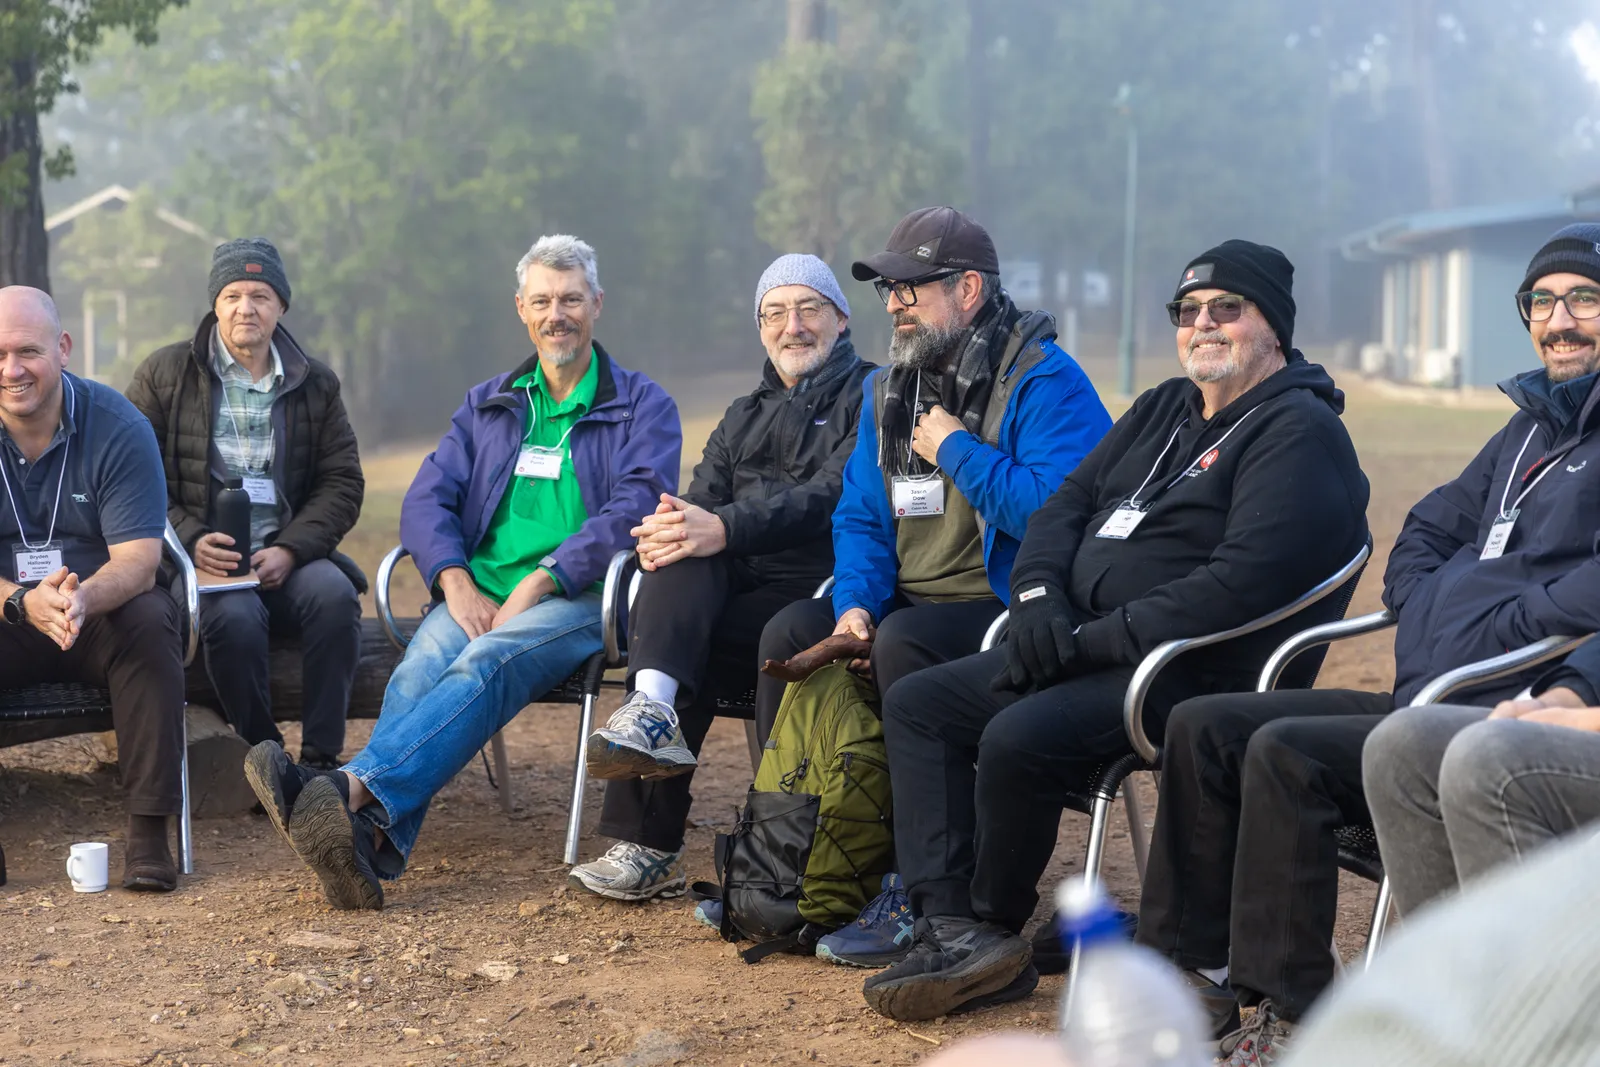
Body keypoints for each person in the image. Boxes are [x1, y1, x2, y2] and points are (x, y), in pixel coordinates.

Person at [866, 240, 1370, 1022]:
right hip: (1083, 647)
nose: (1203, 325)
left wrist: (1092, 639)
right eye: (1188, 311)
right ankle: (951, 921)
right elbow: (1063, 507)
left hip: (1191, 677)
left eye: (1226, 309)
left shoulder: (1297, 433)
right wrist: (1036, 599)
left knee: (1015, 732)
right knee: (922, 702)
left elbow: (1235, 587)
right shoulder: (1164, 407)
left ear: (1274, 326)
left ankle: (992, 919)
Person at [1136, 223, 1600, 1065]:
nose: (1558, 320)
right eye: (1541, 301)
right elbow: (1426, 528)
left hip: (1516, 703)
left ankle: (1295, 1011)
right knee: (1206, 723)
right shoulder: (1529, 427)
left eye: (1584, 300)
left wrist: (1488, 628)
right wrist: (1429, 608)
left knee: (1284, 751)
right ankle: (1187, 976)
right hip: (1431, 688)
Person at [243, 234, 681, 909]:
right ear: (520, 309)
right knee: (418, 673)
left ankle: (342, 790)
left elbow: (636, 503)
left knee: (490, 662)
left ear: (597, 303)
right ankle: (366, 844)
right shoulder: (490, 402)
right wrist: (454, 580)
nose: (555, 313)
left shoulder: (642, 405)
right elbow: (427, 498)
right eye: (541, 300)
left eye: (569, 299)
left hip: (582, 598)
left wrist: (544, 577)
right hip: (476, 591)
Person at [751, 206, 1111, 966]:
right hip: (908, 598)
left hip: (1004, 606)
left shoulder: (1046, 380)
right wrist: (855, 604)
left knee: (909, 646)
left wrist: (956, 448)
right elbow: (860, 515)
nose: (894, 302)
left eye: (911, 285)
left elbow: (1056, 516)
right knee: (791, 630)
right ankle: (793, 869)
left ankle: (922, 892)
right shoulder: (890, 388)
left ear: (969, 287)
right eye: (888, 288)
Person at [570, 254, 874, 901]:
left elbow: (833, 495)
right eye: (774, 313)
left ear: (841, 320)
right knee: (681, 556)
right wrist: (668, 529)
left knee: (718, 593)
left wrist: (723, 528)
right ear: (761, 328)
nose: (792, 326)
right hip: (734, 590)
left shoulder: (871, 397)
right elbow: (698, 504)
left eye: (808, 308)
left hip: (823, 590)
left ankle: (777, 843)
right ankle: (649, 779)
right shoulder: (744, 412)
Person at [126, 237, 365, 770]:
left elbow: (342, 482)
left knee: (335, 597)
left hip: (287, 557)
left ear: (281, 306)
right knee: (231, 619)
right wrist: (188, 540)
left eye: (260, 295)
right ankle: (268, 758)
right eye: (233, 294)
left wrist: (293, 549)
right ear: (215, 303)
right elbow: (131, 479)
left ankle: (323, 761)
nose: (245, 308)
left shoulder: (315, 383)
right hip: (207, 565)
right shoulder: (164, 375)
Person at [0, 286, 185, 891]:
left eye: (27, 350)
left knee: (153, 618)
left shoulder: (117, 425)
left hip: (96, 608)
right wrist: (20, 601)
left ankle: (149, 832)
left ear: (64, 348)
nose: (12, 370)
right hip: (7, 609)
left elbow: (138, 557)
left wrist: (81, 598)